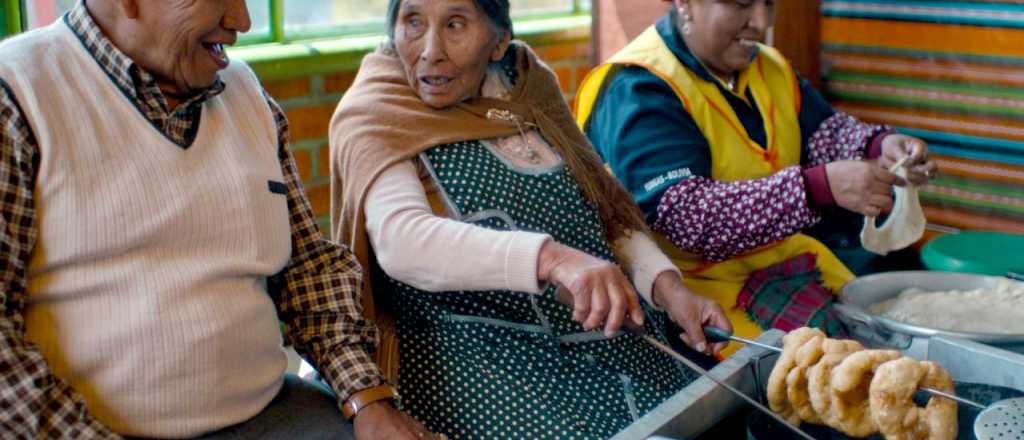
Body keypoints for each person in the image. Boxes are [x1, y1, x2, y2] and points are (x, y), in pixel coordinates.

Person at [0, 0, 420, 438]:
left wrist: (366, 395)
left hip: (274, 415)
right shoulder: (17, 92)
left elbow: (307, 270)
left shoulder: (245, 91)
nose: (242, 21)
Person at [329, 0, 732, 438]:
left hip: (608, 340)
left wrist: (669, 290)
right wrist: (553, 259)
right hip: (480, 359)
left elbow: (603, 206)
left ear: (500, 40)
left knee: (705, 420)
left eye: (456, 24)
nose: (430, 50)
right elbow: (400, 241)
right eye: (412, 22)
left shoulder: (527, 88)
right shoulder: (378, 110)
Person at [576, 0, 938, 352]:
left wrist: (880, 146)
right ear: (685, 3)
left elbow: (823, 132)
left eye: (769, 3)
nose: (761, 20)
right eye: (742, 4)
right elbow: (685, 216)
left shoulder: (768, 67)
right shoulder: (640, 88)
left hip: (783, 264)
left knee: (883, 349)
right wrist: (816, 188)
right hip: (691, 295)